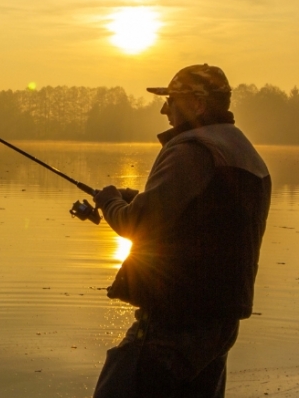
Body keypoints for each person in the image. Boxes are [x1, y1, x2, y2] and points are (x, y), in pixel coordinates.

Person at [91, 64, 272, 398]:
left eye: (172, 99)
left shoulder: (192, 149)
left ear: (198, 104)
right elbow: (204, 214)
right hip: (218, 325)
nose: (164, 108)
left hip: (173, 323)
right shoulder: (244, 152)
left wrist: (109, 202)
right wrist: (132, 199)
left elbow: (138, 225)